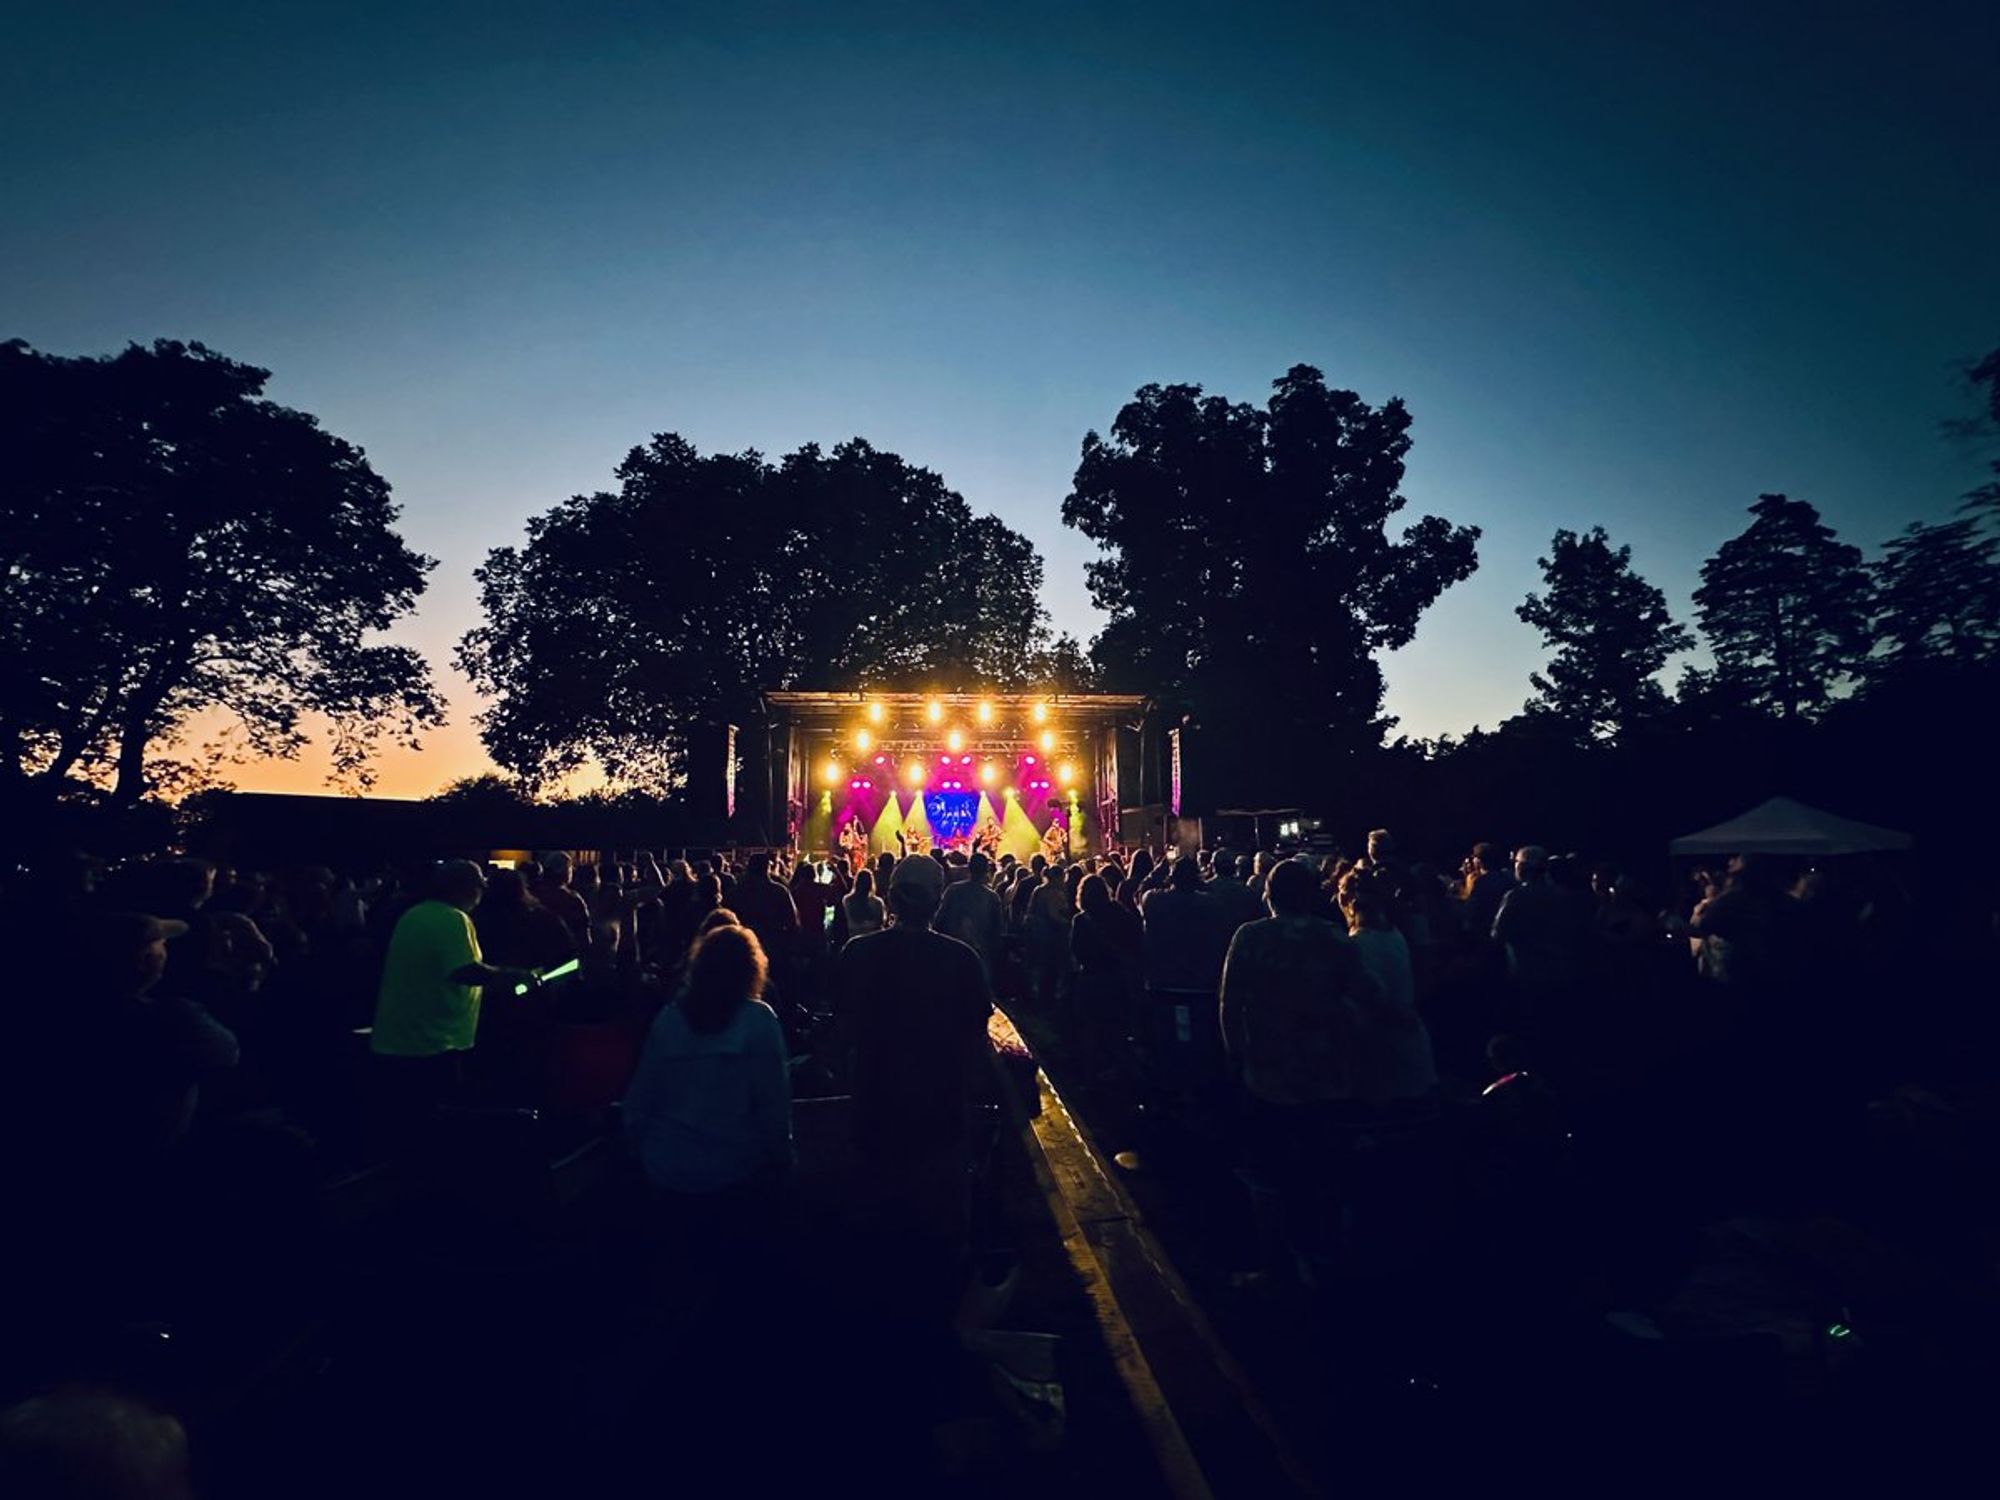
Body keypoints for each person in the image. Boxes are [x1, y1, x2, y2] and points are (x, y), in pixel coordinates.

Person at [826, 854, 996, 1307]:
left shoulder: (857, 954)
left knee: (877, 1228)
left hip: (873, 1105)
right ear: (939, 899)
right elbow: (977, 1039)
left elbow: (840, 1031)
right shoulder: (962, 960)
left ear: (891, 894)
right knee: (937, 1236)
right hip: (939, 1109)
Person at [368, 861, 537, 1148]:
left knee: (404, 1129)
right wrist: (514, 976)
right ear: (467, 889)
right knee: (435, 1128)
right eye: (479, 888)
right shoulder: (452, 919)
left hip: (400, 1038)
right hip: (433, 1042)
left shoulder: (415, 914)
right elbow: (465, 970)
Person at [622, 925, 792, 1197]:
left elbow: (642, 1095)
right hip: (736, 1165)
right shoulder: (758, 1021)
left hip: (666, 1164)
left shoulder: (670, 1019)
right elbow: (773, 1102)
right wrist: (784, 1158)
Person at [936, 851, 1007, 980]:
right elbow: (997, 930)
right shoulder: (992, 897)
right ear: (987, 869)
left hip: (953, 951)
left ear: (969, 868)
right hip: (981, 954)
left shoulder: (953, 890)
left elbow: (940, 920)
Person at [841, 867, 887, 941]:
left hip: (853, 939)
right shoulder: (877, 902)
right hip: (872, 941)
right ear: (871, 883)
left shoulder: (847, 900)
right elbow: (880, 924)